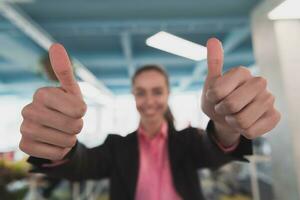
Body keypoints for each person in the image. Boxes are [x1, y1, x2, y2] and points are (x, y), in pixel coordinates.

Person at [19, 38, 281, 200]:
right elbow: (82, 166)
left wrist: (226, 125)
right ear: (133, 97)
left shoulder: (188, 141)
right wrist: (56, 148)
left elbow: (213, 152)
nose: (149, 101)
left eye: (157, 92)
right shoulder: (117, 147)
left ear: (167, 95)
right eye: (141, 93)